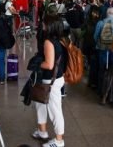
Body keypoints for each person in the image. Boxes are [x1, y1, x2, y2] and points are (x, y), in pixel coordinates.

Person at [32, 15, 67, 147]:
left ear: (50, 26)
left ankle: (59, 140)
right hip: (53, 78)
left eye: (44, 23)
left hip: (50, 80)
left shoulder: (48, 42)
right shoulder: (59, 40)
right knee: (40, 104)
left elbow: (49, 64)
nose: (42, 25)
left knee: (55, 110)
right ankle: (42, 131)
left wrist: (36, 63)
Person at [94, 7, 113, 101]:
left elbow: (95, 36)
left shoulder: (100, 23)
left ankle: (101, 90)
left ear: (106, 13)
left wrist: (99, 44)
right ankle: (112, 90)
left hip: (102, 49)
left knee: (102, 69)